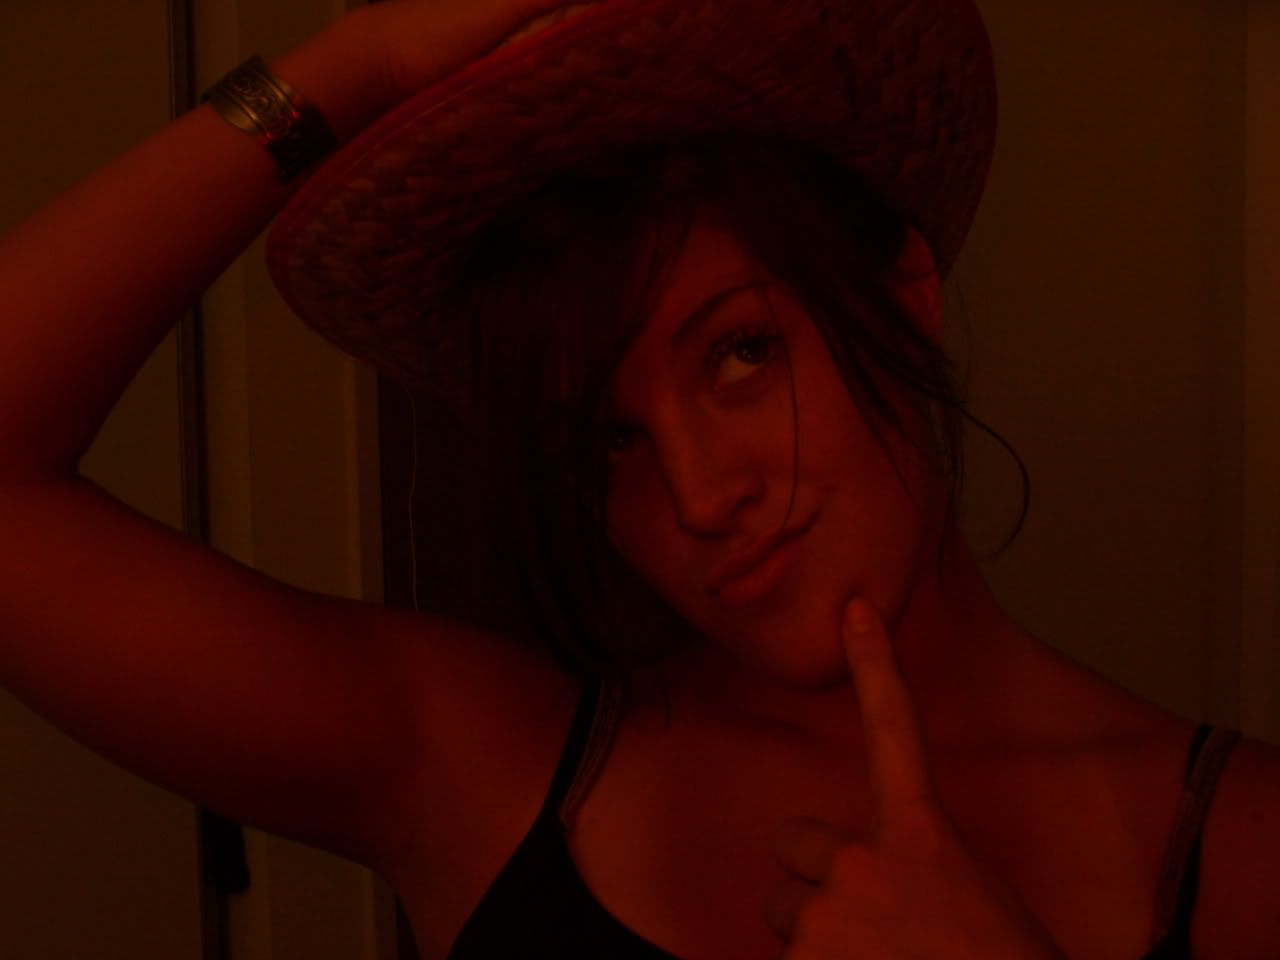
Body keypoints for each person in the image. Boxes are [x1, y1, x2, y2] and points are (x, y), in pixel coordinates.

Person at [0, 1, 1277, 958]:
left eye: (739, 353)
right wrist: (359, 63)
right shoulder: (473, 767)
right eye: (607, 439)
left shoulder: (1244, 852)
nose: (700, 496)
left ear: (904, 295)